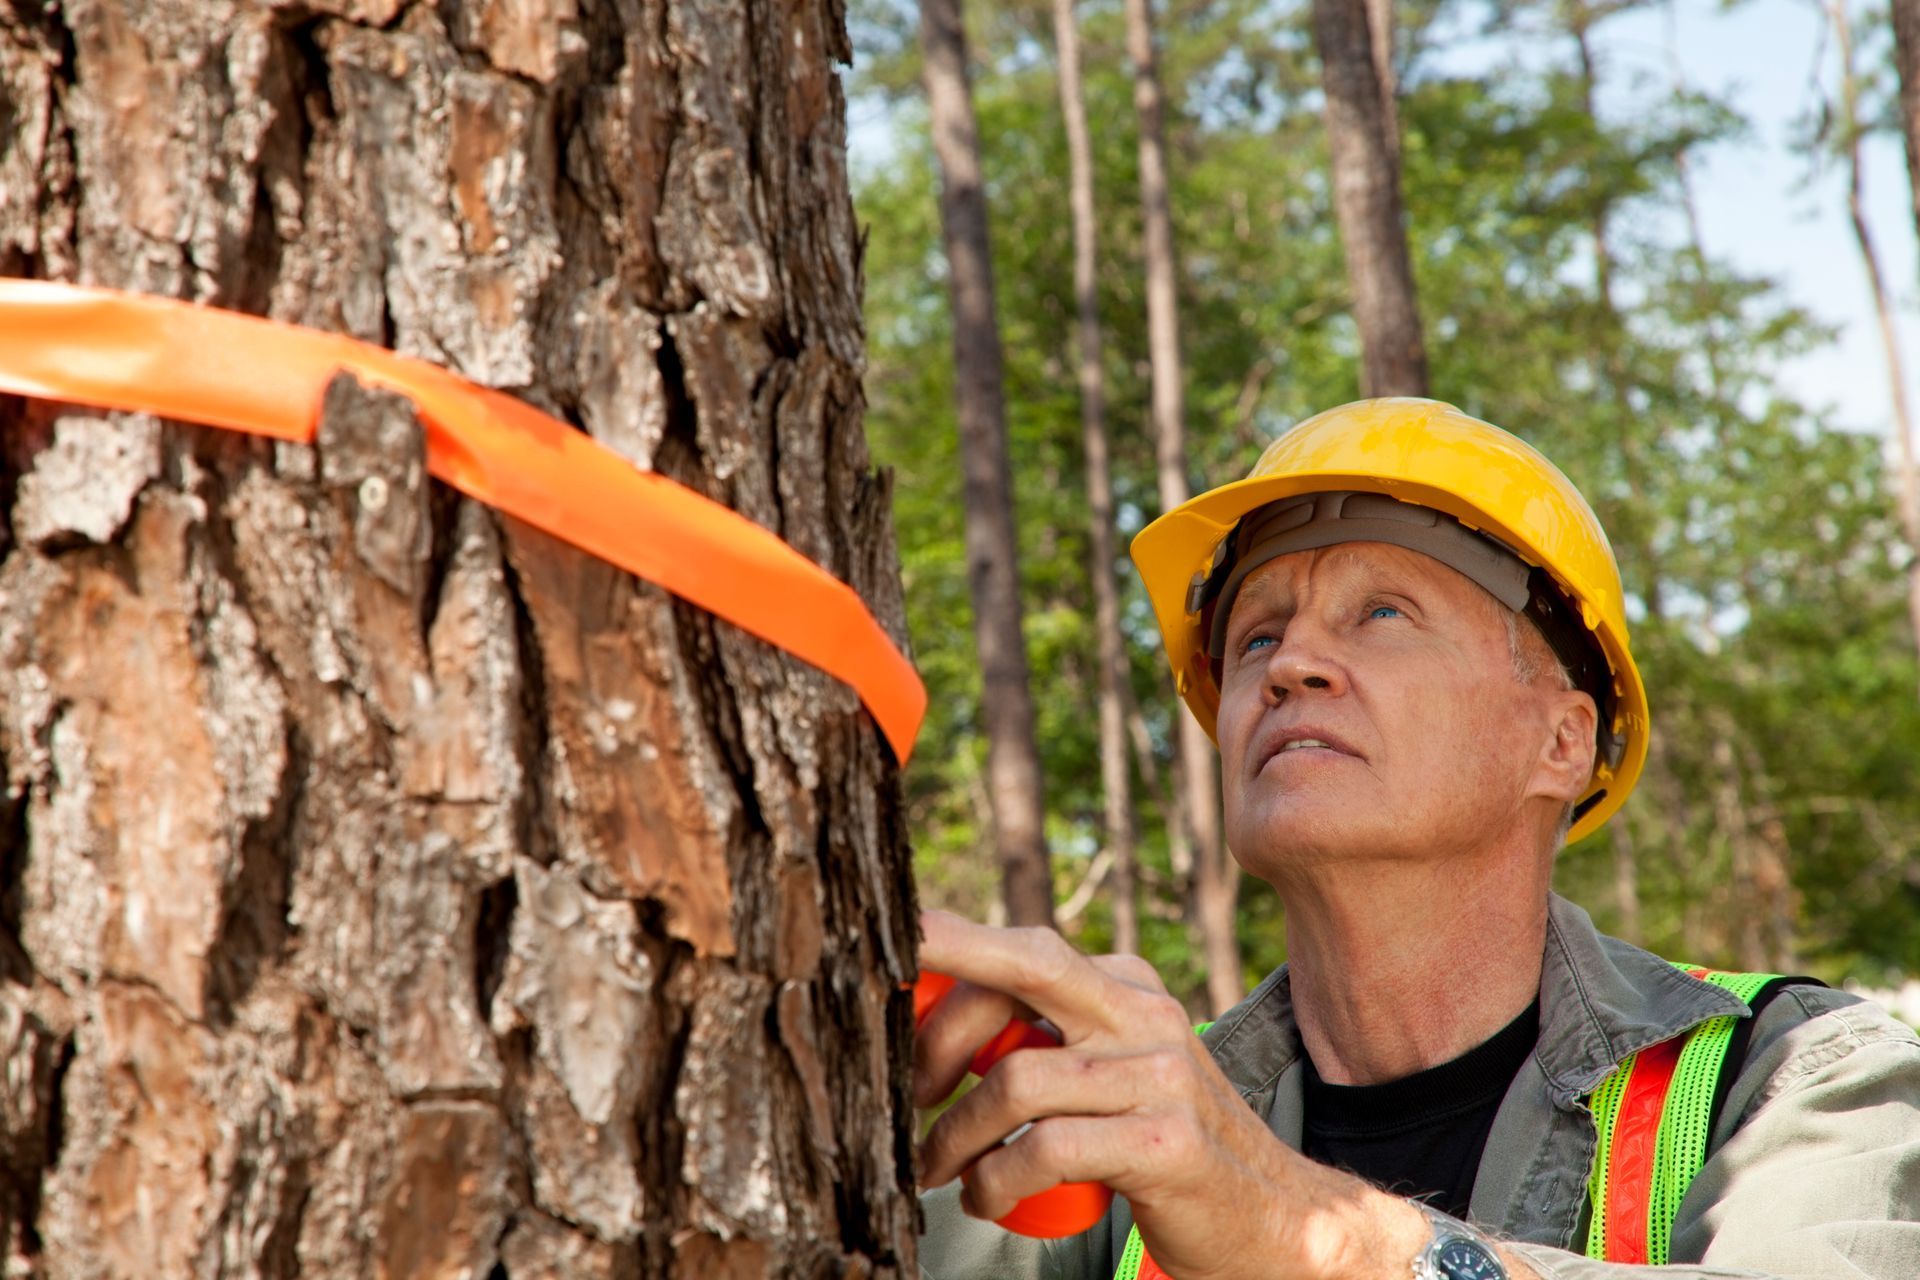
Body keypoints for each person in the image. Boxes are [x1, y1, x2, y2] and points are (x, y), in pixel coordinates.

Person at [914, 398, 1920, 1280]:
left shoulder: (1800, 1070)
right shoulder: (1129, 1121)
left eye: (1383, 611)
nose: (1290, 663)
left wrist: (1303, 1234)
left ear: (1561, 740)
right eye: (1256, 633)